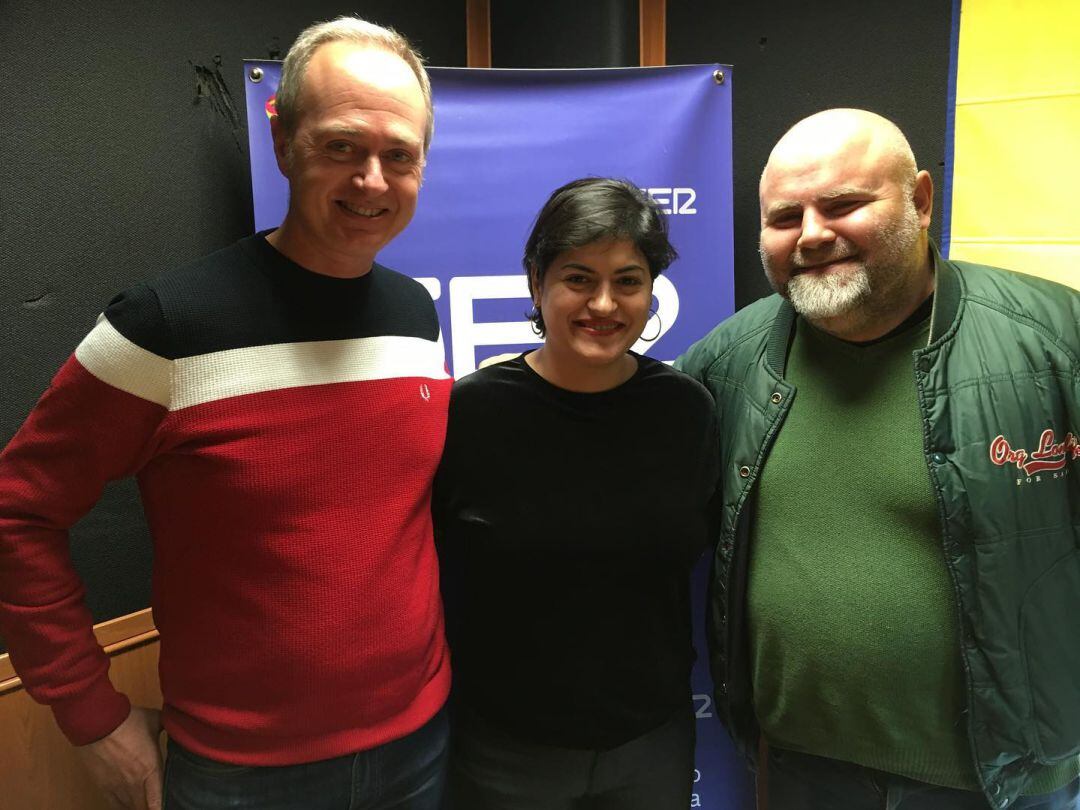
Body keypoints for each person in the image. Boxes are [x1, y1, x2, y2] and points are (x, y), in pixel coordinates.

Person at [0, 16, 451, 810]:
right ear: (283, 141)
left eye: (400, 156)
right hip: (242, 776)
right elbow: (17, 512)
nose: (373, 181)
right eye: (341, 146)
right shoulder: (164, 326)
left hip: (421, 745)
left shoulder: (416, 316)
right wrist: (89, 715)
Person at [677, 108, 1080, 810]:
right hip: (800, 773)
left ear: (920, 201)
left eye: (842, 205)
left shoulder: (1054, 342)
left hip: (1004, 785)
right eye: (784, 217)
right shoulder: (728, 363)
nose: (811, 234)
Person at [434, 177, 719, 809]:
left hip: (652, 746)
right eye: (579, 278)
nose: (604, 303)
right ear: (537, 283)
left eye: (628, 280)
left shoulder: (687, 411)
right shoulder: (471, 413)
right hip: (505, 752)